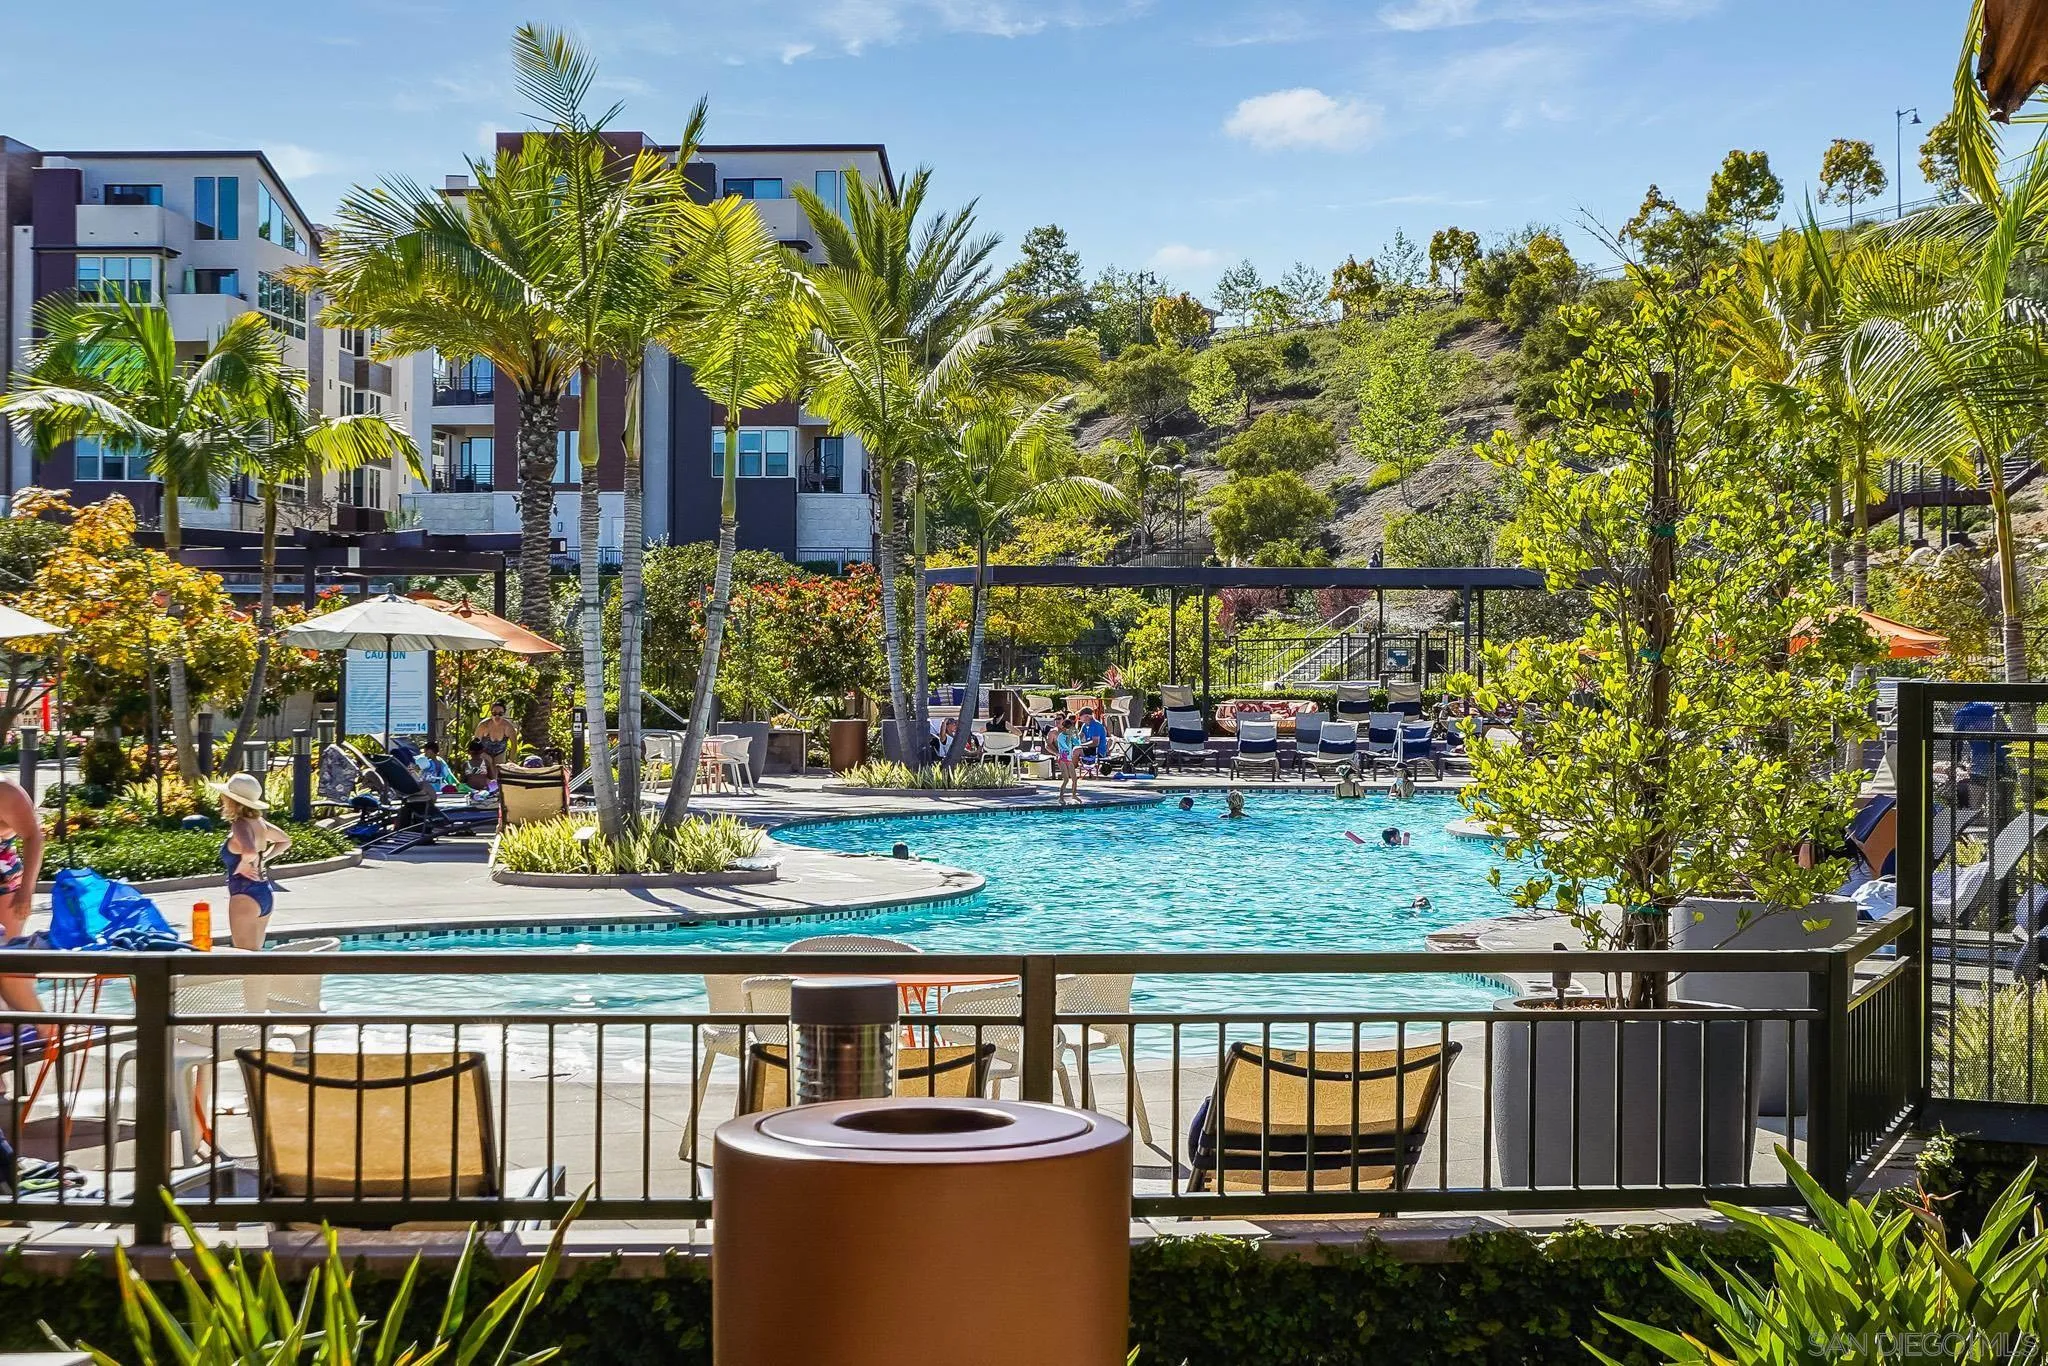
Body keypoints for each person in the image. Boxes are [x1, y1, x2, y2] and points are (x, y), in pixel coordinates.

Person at [211, 771, 292, 951]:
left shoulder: (239, 824)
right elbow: (285, 840)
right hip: (264, 892)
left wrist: (244, 864)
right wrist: (264, 860)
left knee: (245, 959)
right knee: (256, 958)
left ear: (232, 799)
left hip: (244, 894)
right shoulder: (259, 822)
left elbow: (249, 851)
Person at [0, 777, 46, 1019]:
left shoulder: (5, 791)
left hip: (6, 891)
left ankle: (45, 1030)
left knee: (6, 967)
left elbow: (34, 837)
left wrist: (26, 891)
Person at [473, 702, 516, 779]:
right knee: (487, 769)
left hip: (500, 752)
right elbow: (476, 744)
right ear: (491, 713)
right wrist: (475, 760)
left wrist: (511, 762)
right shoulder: (484, 726)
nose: (497, 716)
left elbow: (514, 746)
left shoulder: (508, 727)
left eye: (500, 714)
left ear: (504, 714)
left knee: (497, 775)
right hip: (485, 751)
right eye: (494, 713)